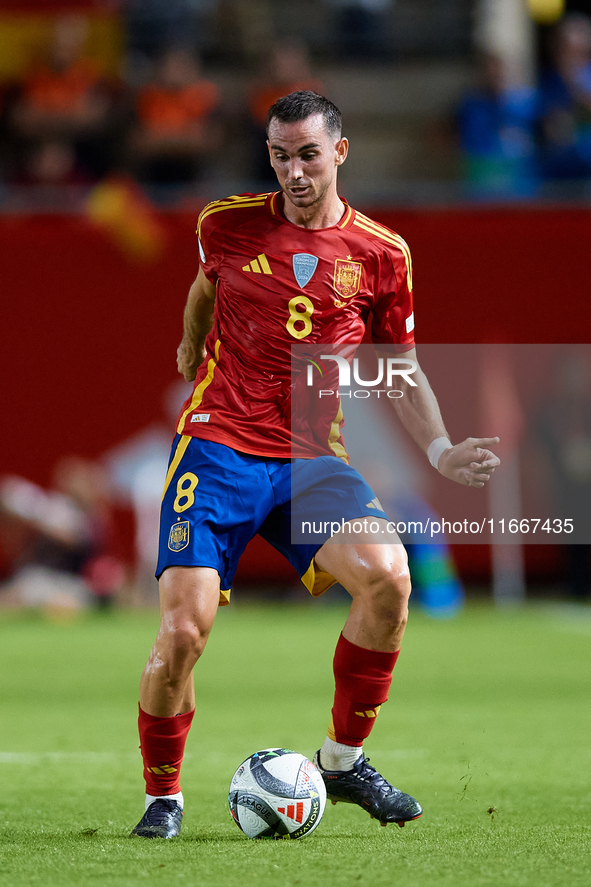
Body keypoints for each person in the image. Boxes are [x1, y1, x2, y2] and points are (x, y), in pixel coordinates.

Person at [131, 90, 500, 839]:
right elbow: (204, 288)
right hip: (218, 445)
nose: (293, 171)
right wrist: (188, 344)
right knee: (182, 633)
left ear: (339, 151)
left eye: (306, 153)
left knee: (390, 580)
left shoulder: (381, 253)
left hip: (310, 460)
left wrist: (438, 448)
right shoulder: (224, 224)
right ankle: (163, 796)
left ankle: (342, 760)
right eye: (279, 155)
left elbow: (401, 366)